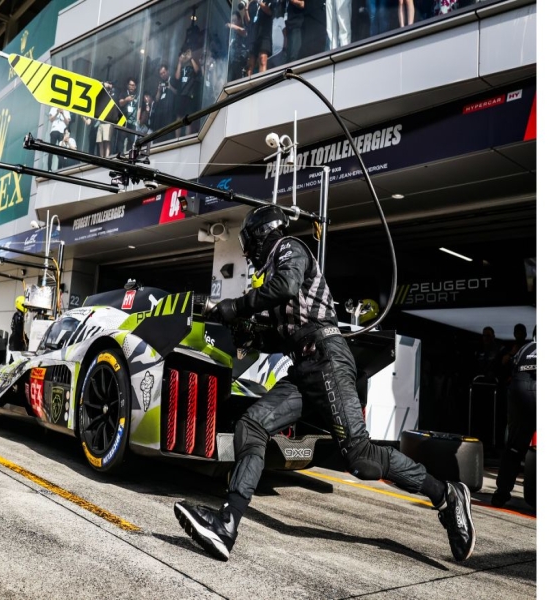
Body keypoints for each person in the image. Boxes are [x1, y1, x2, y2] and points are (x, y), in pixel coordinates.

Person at [173, 204, 476, 563]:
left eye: (248, 242)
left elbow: (285, 287)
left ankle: (447, 496)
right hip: (304, 367)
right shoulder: (271, 276)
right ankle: (226, 524)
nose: (248, 251)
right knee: (251, 426)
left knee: (361, 459)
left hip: (326, 358)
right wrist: (244, 332)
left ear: (259, 234)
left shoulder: (288, 248)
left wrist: (233, 307)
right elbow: (277, 337)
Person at [491, 326, 536, 508]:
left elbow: (508, 367)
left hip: (519, 387)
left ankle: (501, 494)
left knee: (515, 447)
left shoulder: (525, 348)